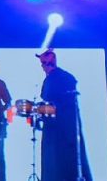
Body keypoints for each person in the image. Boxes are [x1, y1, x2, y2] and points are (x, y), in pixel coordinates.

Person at [38, 49, 92, 181]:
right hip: (54, 130)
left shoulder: (63, 78)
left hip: (65, 132)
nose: (42, 66)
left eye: (44, 63)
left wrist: (45, 109)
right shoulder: (50, 79)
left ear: (49, 63)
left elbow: (62, 105)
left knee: (65, 163)